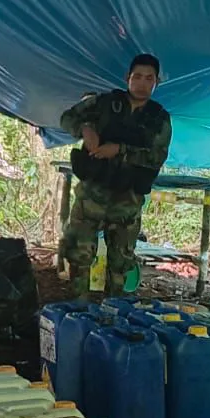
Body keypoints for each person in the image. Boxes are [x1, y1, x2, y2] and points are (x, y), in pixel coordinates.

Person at [59, 53, 172, 300]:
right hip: (92, 195)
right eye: (138, 77)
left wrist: (119, 150)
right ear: (127, 78)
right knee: (79, 256)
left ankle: (115, 315)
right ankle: (78, 311)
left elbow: (156, 157)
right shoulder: (104, 103)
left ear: (156, 83)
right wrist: (86, 130)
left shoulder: (159, 119)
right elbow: (67, 118)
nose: (142, 83)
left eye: (149, 79)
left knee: (120, 264)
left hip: (126, 202)